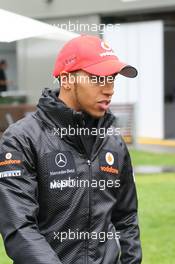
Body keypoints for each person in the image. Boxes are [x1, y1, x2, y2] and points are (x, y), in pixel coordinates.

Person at [0, 35, 142, 264]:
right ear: (67, 80)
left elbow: (126, 218)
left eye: (112, 79)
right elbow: (19, 228)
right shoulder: (21, 139)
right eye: (98, 79)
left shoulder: (113, 143)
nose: (109, 90)